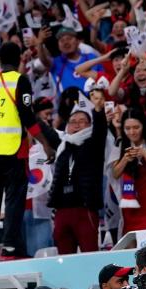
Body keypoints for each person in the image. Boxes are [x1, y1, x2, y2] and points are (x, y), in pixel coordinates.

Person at [0, 42, 54, 261]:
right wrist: (45, 144)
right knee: (13, 199)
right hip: (13, 150)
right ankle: (10, 247)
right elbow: (28, 116)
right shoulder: (20, 80)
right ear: (19, 58)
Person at [48, 98, 107, 254]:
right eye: (73, 121)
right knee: (64, 260)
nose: (77, 124)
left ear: (89, 125)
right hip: (61, 211)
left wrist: (98, 110)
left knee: (90, 255)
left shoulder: (95, 143)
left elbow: (101, 128)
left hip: (85, 209)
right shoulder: (62, 145)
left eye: (82, 121)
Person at [110, 109, 146, 234]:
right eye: (127, 128)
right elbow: (115, 174)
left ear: (144, 125)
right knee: (131, 241)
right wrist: (125, 159)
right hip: (130, 205)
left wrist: (145, 154)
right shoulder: (120, 143)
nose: (132, 132)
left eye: (136, 127)